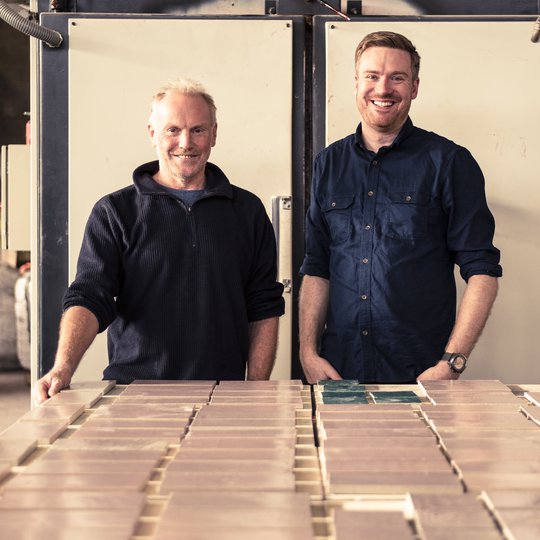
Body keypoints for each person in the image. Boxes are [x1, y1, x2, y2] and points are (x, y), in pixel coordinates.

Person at [34, 79, 284, 404]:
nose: (185, 142)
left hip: (223, 397)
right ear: (152, 134)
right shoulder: (115, 212)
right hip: (133, 395)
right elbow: (89, 296)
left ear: (214, 134)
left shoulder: (247, 211)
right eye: (172, 130)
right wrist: (63, 367)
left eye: (198, 130)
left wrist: (256, 388)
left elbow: (263, 305)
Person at [299, 31, 502, 384]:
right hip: (338, 372)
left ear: (415, 87)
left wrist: (451, 362)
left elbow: (482, 271)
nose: (383, 89)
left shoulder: (450, 163)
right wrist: (307, 353)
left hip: (421, 375)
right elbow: (317, 267)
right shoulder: (328, 165)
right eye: (372, 76)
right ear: (356, 82)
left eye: (397, 77)